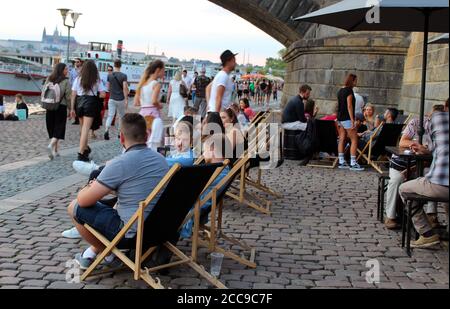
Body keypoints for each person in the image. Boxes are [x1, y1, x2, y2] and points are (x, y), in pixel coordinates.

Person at [67, 113, 169, 269]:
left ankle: (107, 252)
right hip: (159, 229)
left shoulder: (119, 163)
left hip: (131, 233)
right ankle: (100, 253)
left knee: (74, 207)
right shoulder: (161, 160)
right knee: (115, 204)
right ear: (147, 135)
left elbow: (83, 201)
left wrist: (88, 187)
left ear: (121, 138)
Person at [398, 110, 449, 249]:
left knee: (403, 188)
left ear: (445, 107)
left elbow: (436, 147)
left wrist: (423, 148)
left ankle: (427, 234)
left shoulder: (439, 118)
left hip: (439, 185)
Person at [384, 114, 434, 230]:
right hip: (400, 164)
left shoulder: (441, 131)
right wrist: (418, 145)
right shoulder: (417, 122)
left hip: (420, 166)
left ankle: (432, 215)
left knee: (432, 178)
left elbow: (433, 159)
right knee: (396, 180)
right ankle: (390, 216)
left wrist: (411, 169)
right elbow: (402, 142)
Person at [70, 60, 107, 162]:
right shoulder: (96, 80)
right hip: (90, 104)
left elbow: (73, 94)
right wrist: (98, 95)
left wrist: (72, 108)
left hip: (79, 103)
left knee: (82, 129)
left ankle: (85, 149)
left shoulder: (78, 79)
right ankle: (81, 153)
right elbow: (103, 94)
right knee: (86, 129)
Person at [135, 60, 165, 151]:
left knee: (144, 138)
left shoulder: (143, 84)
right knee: (154, 139)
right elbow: (154, 101)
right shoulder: (156, 84)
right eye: (163, 70)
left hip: (142, 113)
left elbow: (137, 102)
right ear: (158, 70)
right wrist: (159, 105)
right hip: (152, 114)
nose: (164, 72)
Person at [337, 74, 364, 171]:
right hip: (347, 118)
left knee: (342, 139)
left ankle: (341, 161)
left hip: (340, 118)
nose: (356, 82)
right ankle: (353, 163)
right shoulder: (349, 90)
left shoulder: (340, 90)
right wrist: (352, 119)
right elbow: (349, 106)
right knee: (354, 139)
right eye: (355, 80)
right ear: (352, 81)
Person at [45, 63, 71, 160]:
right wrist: (71, 108)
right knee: (59, 128)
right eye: (65, 69)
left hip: (49, 105)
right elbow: (68, 97)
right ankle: (51, 145)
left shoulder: (49, 78)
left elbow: (44, 91)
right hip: (61, 106)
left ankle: (55, 151)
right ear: (61, 70)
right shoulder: (66, 81)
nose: (67, 71)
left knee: (51, 128)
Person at [104, 60, 129, 141]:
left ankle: (106, 130)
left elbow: (107, 88)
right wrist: (126, 99)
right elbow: (125, 88)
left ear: (114, 65)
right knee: (121, 116)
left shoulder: (110, 75)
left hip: (111, 98)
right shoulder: (124, 76)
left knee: (110, 115)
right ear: (120, 66)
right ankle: (119, 133)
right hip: (120, 99)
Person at [70, 58, 83, 125]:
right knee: (74, 104)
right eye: (75, 62)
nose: (76, 63)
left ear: (80, 62)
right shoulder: (72, 71)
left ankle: (80, 118)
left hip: (80, 90)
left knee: (79, 104)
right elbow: (71, 79)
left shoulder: (83, 70)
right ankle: (76, 119)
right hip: (74, 89)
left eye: (77, 62)